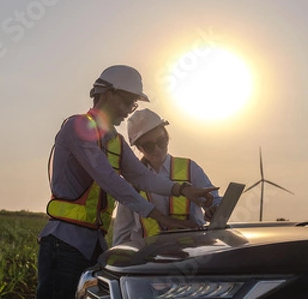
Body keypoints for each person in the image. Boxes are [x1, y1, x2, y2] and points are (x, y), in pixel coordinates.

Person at [36, 65, 217, 299]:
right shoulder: (78, 127)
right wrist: (159, 216)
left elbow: (142, 177)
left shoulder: (117, 141)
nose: (128, 111)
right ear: (107, 93)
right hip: (65, 244)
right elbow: (109, 179)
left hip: (94, 245)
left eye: (133, 105)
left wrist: (183, 189)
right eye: (127, 102)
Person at [112, 108, 222, 246]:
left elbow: (214, 200)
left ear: (167, 136)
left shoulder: (190, 168)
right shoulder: (132, 182)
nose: (157, 148)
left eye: (161, 141)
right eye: (149, 146)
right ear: (139, 148)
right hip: (151, 259)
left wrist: (214, 209)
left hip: (193, 252)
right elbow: (123, 231)